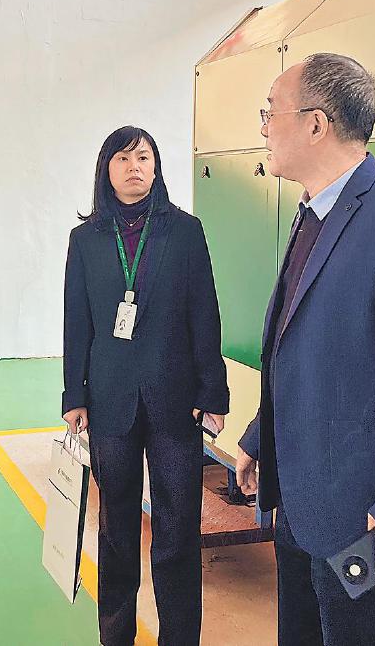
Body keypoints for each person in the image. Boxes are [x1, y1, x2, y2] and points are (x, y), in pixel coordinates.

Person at [235, 54, 375, 646]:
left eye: (270, 112)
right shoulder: (313, 212)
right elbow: (306, 348)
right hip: (300, 504)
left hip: (367, 524)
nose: (263, 128)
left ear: (315, 123)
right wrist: (262, 437)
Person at [62, 126, 230, 646]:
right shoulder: (86, 239)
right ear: (106, 169)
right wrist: (74, 395)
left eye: (144, 157)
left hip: (175, 402)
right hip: (109, 401)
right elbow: (76, 321)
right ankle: (116, 636)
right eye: (123, 158)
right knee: (116, 532)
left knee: (178, 532)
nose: (134, 167)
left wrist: (213, 393)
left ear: (156, 168)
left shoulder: (185, 231)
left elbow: (205, 313)